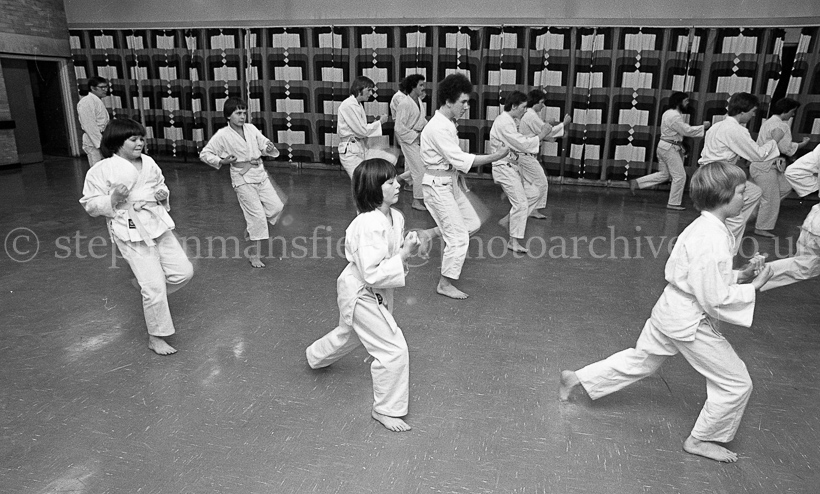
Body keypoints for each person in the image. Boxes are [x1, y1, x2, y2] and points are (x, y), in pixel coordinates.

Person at [559, 162, 774, 463]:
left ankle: (578, 378)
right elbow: (713, 296)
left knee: (642, 360)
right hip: (688, 320)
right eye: (741, 192)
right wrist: (755, 287)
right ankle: (702, 439)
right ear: (724, 196)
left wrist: (742, 275)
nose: (744, 197)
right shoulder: (710, 237)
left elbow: (702, 278)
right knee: (736, 382)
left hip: (671, 309)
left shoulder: (705, 226)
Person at [306, 159, 421, 432]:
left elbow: (389, 259)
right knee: (393, 349)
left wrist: (405, 250)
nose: (397, 185)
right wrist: (404, 254)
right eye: (390, 182)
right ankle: (385, 410)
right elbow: (371, 272)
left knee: (351, 334)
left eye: (396, 179)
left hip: (377, 290)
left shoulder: (396, 217)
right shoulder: (366, 224)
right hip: (360, 292)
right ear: (373, 188)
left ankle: (314, 356)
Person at [80, 118, 194, 355]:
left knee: (183, 272)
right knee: (154, 288)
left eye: (142, 138)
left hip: (157, 223)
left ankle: (150, 289)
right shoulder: (101, 170)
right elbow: (90, 204)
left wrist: (163, 194)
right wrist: (111, 199)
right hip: (128, 229)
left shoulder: (149, 162)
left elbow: (160, 185)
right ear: (117, 142)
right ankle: (156, 336)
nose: (140, 143)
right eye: (133, 139)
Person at [420, 73, 509, 299]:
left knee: (472, 221)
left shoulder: (447, 123)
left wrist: (460, 180)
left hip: (449, 182)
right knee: (459, 237)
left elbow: (453, 163)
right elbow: (460, 160)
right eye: (463, 102)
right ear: (449, 101)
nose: (467, 107)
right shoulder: (439, 127)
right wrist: (497, 156)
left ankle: (432, 232)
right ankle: (445, 283)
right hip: (437, 187)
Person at [200, 97, 285, 268]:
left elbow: (264, 145)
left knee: (277, 207)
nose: (242, 116)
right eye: (238, 113)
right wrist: (222, 161)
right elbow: (205, 154)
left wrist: (269, 148)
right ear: (228, 116)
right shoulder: (223, 135)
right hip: (241, 177)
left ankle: (252, 228)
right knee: (258, 218)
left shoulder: (251, 129)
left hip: (259, 173)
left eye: (244, 113)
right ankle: (254, 255)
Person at [698, 92, 780, 253]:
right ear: (743, 111)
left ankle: (722, 231)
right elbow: (757, 155)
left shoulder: (717, 126)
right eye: (752, 111)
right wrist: (774, 140)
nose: (753, 115)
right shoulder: (735, 129)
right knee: (735, 218)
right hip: (720, 175)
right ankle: (726, 253)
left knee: (754, 191)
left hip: (710, 173)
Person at [489, 91, 554, 253]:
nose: (525, 110)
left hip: (512, 166)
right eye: (523, 107)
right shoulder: (503, 122)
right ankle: (514, 241)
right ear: (514, 106)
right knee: (521, 203)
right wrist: (541, 135)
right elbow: (521, 143)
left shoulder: (511, 120)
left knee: (534, 193)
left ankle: (509, 220)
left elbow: (518, 142)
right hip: (503, 168)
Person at [630, 92, 710, 211]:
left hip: (664, 146)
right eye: (686, 101)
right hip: (669, 148)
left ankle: (638, 182)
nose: (687, 103)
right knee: (680, 176)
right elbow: (686, 131)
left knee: (665, 174)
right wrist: (703, 127)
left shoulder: (668, 113)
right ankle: (673, 203)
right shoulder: (674, 116)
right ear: (679, 102)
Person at [761, 144, 820, 290]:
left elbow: (794, 171)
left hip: (816, 220)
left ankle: (746, 277)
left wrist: (815, 189)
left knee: (804, 264)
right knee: (805, 265)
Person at [749, 98, 810, 238]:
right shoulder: (781, 126)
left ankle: (757, 211)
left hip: (764, 165)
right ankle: (761, 227)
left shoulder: (768, 122)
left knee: (786, 187)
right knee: (771, 199)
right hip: (765, 166)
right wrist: (803, 144)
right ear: (785, 111)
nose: (793, 115)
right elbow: (786, 149)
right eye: (792, 112)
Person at [518, 89, 571, 219]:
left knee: (530, 183)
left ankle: (527, 208)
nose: (543, 105)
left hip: (523, 154)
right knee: (541, 182)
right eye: (542, 102)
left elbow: (542, 132)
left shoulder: (530, 115)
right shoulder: (530, 115)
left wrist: (552, 127)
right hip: (525, 155)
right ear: (535, 103)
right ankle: (533, 209)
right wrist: (563, 124)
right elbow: (547, 132)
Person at [337, 76, 387, 177]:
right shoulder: (349, 105)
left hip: (357, 148)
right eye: (368, 90)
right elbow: (362, 131)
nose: (371, 94)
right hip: (350, 151)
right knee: (361, 181)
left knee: (364, 182)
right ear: (359, 89)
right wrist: (380, 122)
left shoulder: (357, 104)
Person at [394, 74, 428, 211]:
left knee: (421, 166)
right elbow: (399, 127)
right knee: (419, 170)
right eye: (420, 85)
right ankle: (417, 200)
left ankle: (397, 179)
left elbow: (422, 120)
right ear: (413, 87)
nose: (423, 88)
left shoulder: (418, 102)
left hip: (417, 138)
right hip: (408, 140)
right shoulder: (404, 103)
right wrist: (416, 136)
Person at [77, 76, 111, 167]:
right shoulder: (86, 102)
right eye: (102, 87)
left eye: (106, 87)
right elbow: (89, 125)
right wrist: (100, 144)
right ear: (92, 88)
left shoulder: (97, 101)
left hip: (102, 137)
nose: (105, 90)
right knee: (97, 169)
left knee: (106, 169)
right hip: (94, 141)